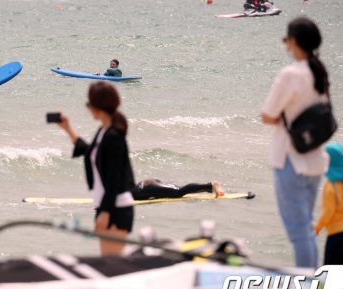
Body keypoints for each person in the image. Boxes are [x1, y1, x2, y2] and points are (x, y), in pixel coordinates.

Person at [261, 17, 331, 268]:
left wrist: (281, 114)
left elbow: (268, 116)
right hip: (315, 158)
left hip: (290, 158)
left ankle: (306, 285)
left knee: (298, 231)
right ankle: (311, 282)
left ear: (293, 41)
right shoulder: (319, 70)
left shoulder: (291, 74)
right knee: (306, 226)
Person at [56, 81, 135, 256]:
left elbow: (114, 179)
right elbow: (89, 152)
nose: (88, 108)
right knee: (111, 265)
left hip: (116, 208)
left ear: (97, 107)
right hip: (107, 206)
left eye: (89, 104)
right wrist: (68, 129)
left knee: (112, 267)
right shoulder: (103, 132)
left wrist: (106, 213)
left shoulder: (114, 137)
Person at [315, 142, 343, 266]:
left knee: (328, 272)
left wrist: (316, 229)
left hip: (337, 233)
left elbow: (328, 212)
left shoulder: (331, 186)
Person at [132, 178, 225, 201]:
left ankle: (211, 185)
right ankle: (209, 187)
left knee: (178, 192)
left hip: (146, 187)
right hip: (146, 188)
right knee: (178, 190)